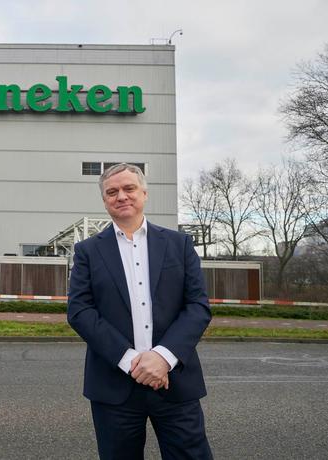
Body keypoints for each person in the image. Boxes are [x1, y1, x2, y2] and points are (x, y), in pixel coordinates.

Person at [67, 163, 212, 459]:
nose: (121, 196)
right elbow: (80, 311)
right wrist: (133, 361)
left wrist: (162, 357)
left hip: (174, 381)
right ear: (105, 200)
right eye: (112, 191)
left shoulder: (179, 244)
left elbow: (197, 307)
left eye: (129, 188)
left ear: (144, 193)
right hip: (114, 386)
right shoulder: (87, 252)